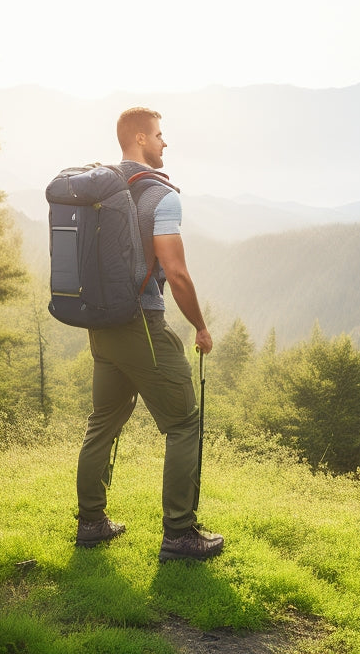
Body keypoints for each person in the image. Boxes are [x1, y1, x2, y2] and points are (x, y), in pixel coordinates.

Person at [74, 106, 224, 562]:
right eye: (159, 136)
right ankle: (179, 534)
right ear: (140, 138)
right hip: (141, 322)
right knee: (183, 423)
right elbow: (176, 274)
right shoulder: (161, 197)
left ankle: (91, 524)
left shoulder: (98, 188)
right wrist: (200, 325)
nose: (164, 144)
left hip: (101, 325)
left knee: (103, 422)